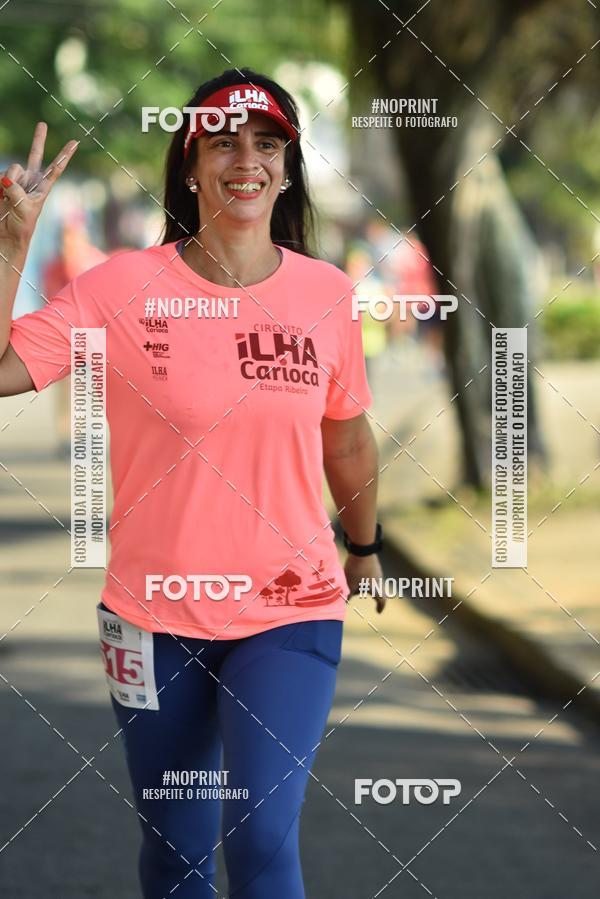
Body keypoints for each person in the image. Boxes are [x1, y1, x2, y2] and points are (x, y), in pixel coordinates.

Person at [0, 68, 386, 898]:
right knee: (174, 853)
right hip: (147, 617)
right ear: (189, 163)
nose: (246, 157)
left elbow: (347, 436)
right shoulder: (116, 290)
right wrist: (9, 246)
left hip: (290, 607)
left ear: (286, 167)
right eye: (223, 141)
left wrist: (365, 545)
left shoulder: (327, 295)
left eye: (268, 142)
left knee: (258, 835)